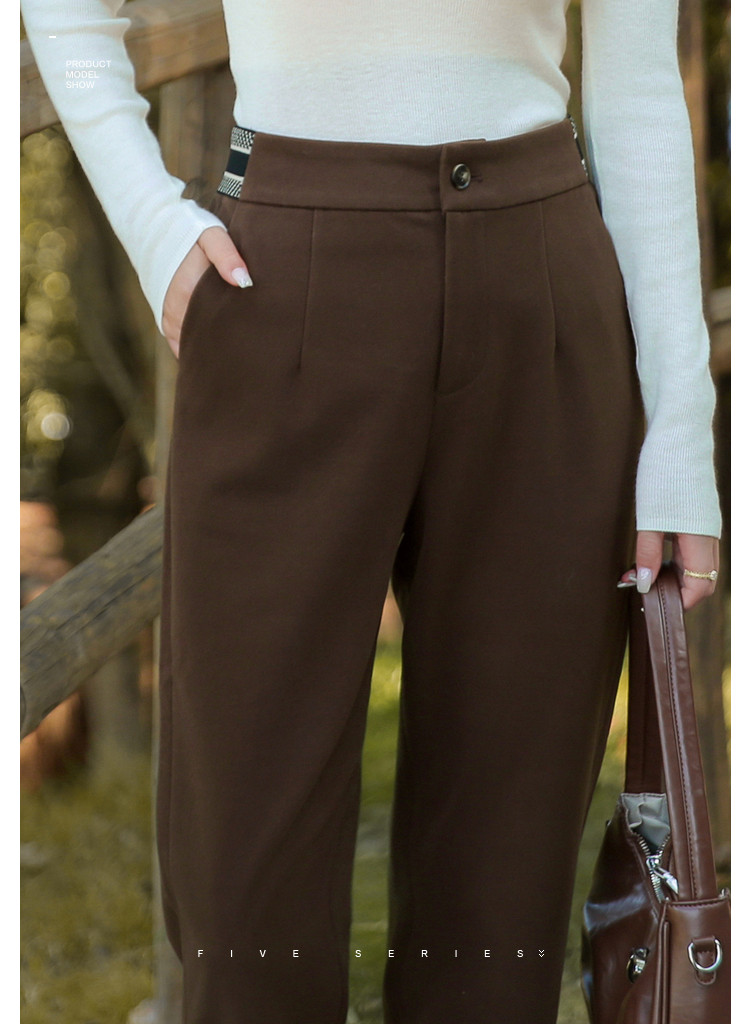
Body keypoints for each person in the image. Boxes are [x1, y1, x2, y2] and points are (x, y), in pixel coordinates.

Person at [21, 1, 723, 1022]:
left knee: (499, 914)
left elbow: (638, 84)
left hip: (542, 299)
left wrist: (680, 434)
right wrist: (152, 223)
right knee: (245, 906)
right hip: (283, 283)